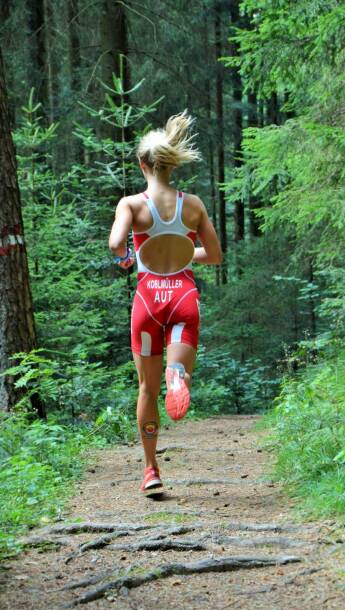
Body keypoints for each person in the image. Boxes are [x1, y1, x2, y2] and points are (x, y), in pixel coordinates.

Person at [108, 110, 222, 495]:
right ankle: (178, 375)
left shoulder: (132, 205)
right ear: (171, 165)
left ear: (143, 164)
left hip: (147, 300)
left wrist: (128, 258)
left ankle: (151, 470)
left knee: (146, 388)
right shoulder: (193, 205)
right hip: (182, 297)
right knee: (177, 369)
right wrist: (184, 253)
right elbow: (215, 255)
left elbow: (115, 244)